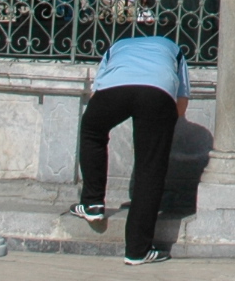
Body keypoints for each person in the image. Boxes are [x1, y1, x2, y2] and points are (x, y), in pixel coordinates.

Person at [69, 33, 189, 266]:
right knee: (150, 168)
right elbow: (181, 105)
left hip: (115, 88)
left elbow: (97, 93)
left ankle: (92, 203)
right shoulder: (173, 48)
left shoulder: (116, 47)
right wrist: (159, 127)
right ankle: (137, 250)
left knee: (92, 130)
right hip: (157, 90)